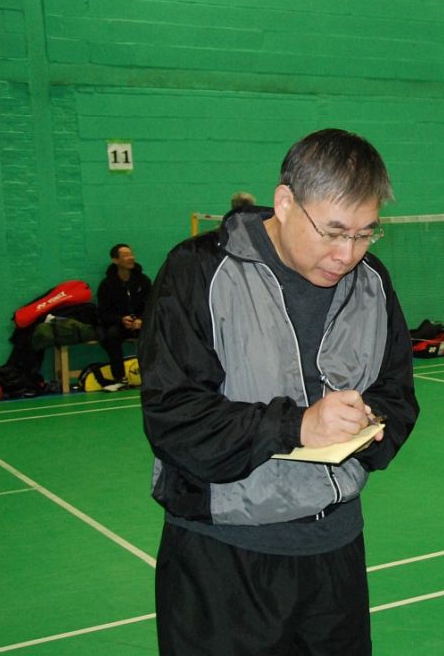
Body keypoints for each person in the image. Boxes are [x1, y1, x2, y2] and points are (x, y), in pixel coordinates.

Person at [139, 128, 419, 655]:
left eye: (365, 234)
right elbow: (173, 416)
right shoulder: (196, 271)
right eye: (333, 232)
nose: (347, 253)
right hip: (221, 561)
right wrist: (297, 426)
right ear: (286, 202)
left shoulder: (372, 283)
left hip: (335, 559)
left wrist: (369, 423)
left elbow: (397, 392)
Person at [96, 243, 151, 392]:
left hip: (141, 324)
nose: (131, 258)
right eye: (125, 255)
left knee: (157, 334)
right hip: (120, 325)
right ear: (115, 260)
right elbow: (103, 313)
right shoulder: (106, 285)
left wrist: (141, 319)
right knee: (111, 336)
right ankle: (120, 378)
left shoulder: (143, 281)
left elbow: (152, 305)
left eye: (131, 254)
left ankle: (154, 375)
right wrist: (121, 319)